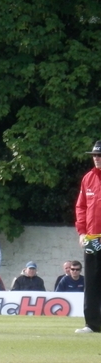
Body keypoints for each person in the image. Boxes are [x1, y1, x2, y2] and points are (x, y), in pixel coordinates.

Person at [75, 140, 101, 333]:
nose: (97, 159)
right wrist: (82, 232)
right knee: (91, 281)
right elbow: (81, 207)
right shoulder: (88, 178)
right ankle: (91, 324)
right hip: (92, 238)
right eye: (94, 156)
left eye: (99, 156)